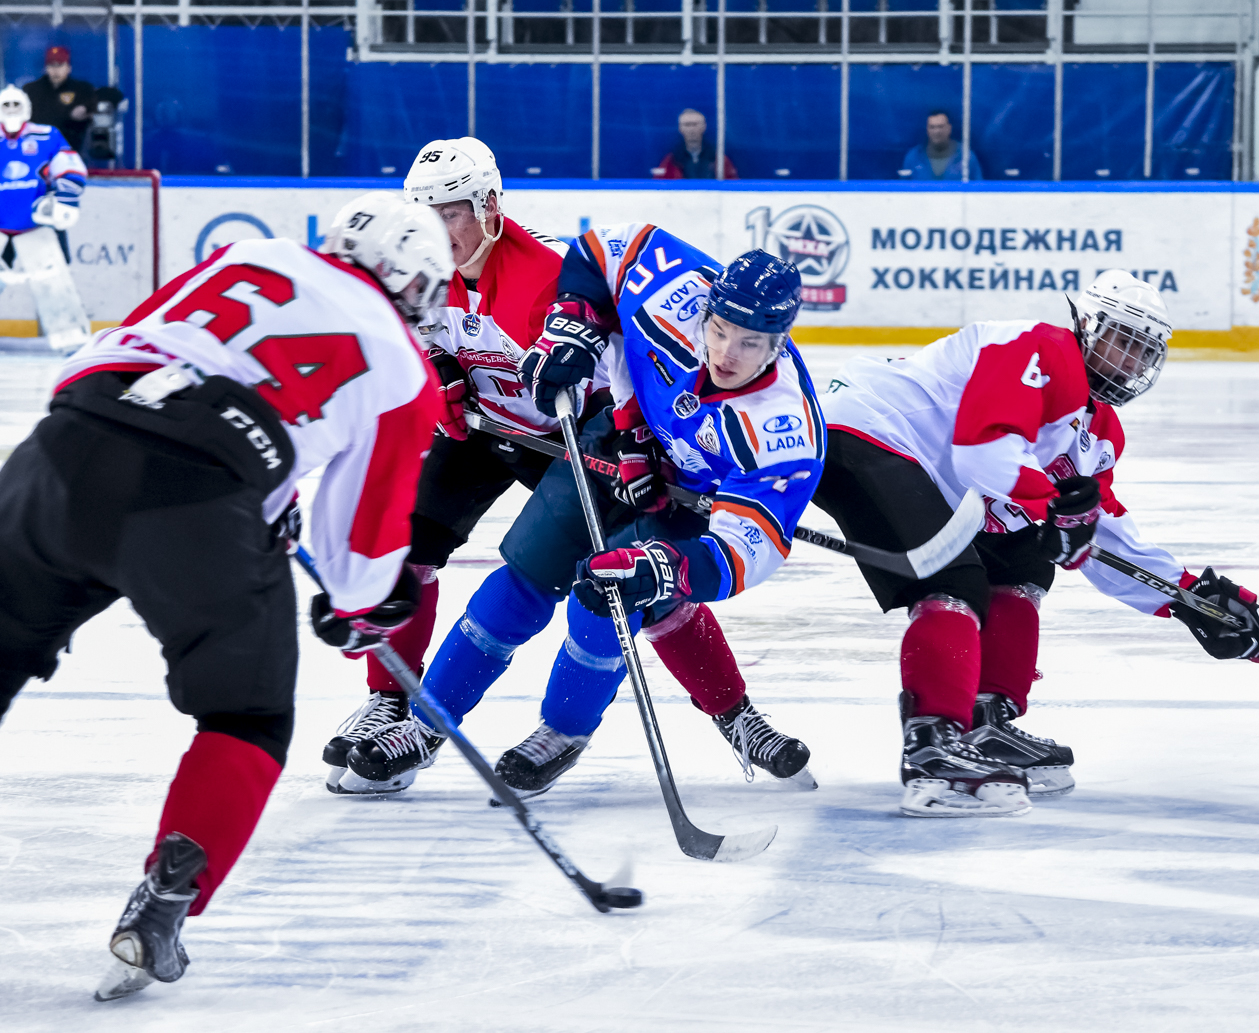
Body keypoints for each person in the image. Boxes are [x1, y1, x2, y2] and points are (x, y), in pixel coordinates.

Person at [0, 190, 452, 999]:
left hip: (61, 449)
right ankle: (165, 898)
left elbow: (108, 351)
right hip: (197, 503)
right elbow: (363, 544)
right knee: (247, 716)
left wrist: (260, 500)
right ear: (412, 280)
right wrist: (357, 607)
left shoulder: (253, 257)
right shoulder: (403, 364)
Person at [341, 238, 823, 800]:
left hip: (688, 494)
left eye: (750, 343)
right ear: (707, 308)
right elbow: (602, 252)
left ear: (780, 342)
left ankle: (562, 733)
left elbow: (748, 549)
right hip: (614, 443)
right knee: (519, 580)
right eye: (718, 330)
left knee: (606, 599)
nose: (725, 353)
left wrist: (665, 567)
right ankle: (424, 727)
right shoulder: (676, 297)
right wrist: (577, 331)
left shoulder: (785, 431)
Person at [816, 271, 1259, 818]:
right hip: (867, 431)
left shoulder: (1100, 431)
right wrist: (1057, 503)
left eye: (1142, 351)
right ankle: (934, 749)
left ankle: (985, 722)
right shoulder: (1044, 349)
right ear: (1086, 325)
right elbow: (981, 454)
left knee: (1028, 552)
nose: (1128, 362)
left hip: (930, 469)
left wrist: (1188, 598)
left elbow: (1094, 531)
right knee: (952, 581)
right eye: (1120, 341)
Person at [320, 137, 574, 795]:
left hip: (559, 442)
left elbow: (608, 373)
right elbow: (408, 341)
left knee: (618, 569)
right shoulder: (414, 263)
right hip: (480, 432)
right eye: (424, 213)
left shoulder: (546, 271)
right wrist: (438, 371)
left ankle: (731, 706)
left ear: (490, 206)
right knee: (406, 545)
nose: (436, 230)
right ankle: (393, 700)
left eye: (451, 212)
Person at [0, 83, 89, 349]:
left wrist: (65, 198)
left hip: (35, 224)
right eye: (6, 106)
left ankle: (70, 339)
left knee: (54, 283)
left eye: (16, 105)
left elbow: (70, 168)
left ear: (27, 109)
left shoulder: (46, 136)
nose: (12, 110)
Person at [23, 45, 98, 154]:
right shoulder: (31, 90)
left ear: (68, 68)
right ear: (45, 68)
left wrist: (86, 110)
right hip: (38, 150)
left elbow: (107, 96)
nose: (55, 70)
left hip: (71, 151)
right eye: (51, 65)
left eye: (60, 65)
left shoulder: (82, 90)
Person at [654, 108, 738, 180]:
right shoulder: (671, 161)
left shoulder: (719, 160)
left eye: (695, 124)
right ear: (680, 128)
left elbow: (733, 187)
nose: (691, 129)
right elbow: (658, 188)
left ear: (704, 126)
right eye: (687, 125)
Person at [901, 110, 983, 182]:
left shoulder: (966, 157)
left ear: (949, 128)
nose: (937, 131)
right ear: (927, 130)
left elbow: (979, 190)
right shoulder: (914, 157)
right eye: (932, 127)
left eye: (941, 127)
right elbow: (902, 191)